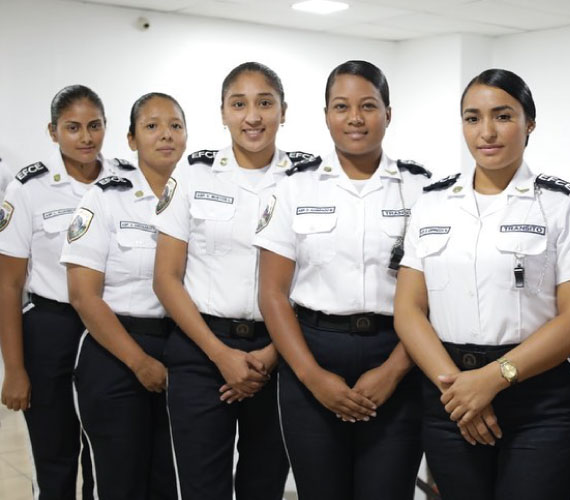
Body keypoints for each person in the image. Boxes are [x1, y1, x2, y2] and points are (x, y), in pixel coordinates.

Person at [393, 68, 570, 500]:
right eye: (472, 118)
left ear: (530, 125)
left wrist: (492, 380)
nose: (487, 132)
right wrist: (458, 388)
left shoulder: (561, 206)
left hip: (539, 400)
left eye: (503, 116)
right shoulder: (432, 204)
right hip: (449, 394)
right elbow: (409, 310)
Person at [256, 60, 430, 500]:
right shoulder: (293, 187)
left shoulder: (422, 190)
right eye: (342, 106)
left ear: (388, 113)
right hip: (312, 354)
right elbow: (273, 294)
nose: (355, 118)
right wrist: (312, 376)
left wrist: (392, 372)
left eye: (368, 106)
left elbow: (433, 299)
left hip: (398, 355)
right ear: (326, 114)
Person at [153, 62, 304, 500]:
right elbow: (166, 278)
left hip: (280, 352)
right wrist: (221, 355)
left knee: (265, 485)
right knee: (202, 488)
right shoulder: (192, 173)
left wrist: (275, 353)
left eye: (264, 103)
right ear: (222, 112)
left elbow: (312, 276)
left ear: (283, 110)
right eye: (239, 104)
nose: (252, 116)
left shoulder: (305, 180)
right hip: (202, 352)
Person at [0, 84, 127, 499]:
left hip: (110, 326)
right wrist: (14, 370)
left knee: (106, 451)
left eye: (94, 126)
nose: (86, 137)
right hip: (51, 328)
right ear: (53, 132)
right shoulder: (29, 188)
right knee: (54, 453)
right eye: (73, 128)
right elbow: (9, 283)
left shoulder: (127, 180)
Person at [61, 92, 186, 500]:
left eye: (175, 125)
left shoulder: (198, 197)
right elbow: (83, 296)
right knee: (119, 482)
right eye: (151, 126)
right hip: (115, 350)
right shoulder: (104, 197)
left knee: (172, 482)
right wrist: (140, 362)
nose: (165, 135)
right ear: (131, 140)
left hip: (183, 349)